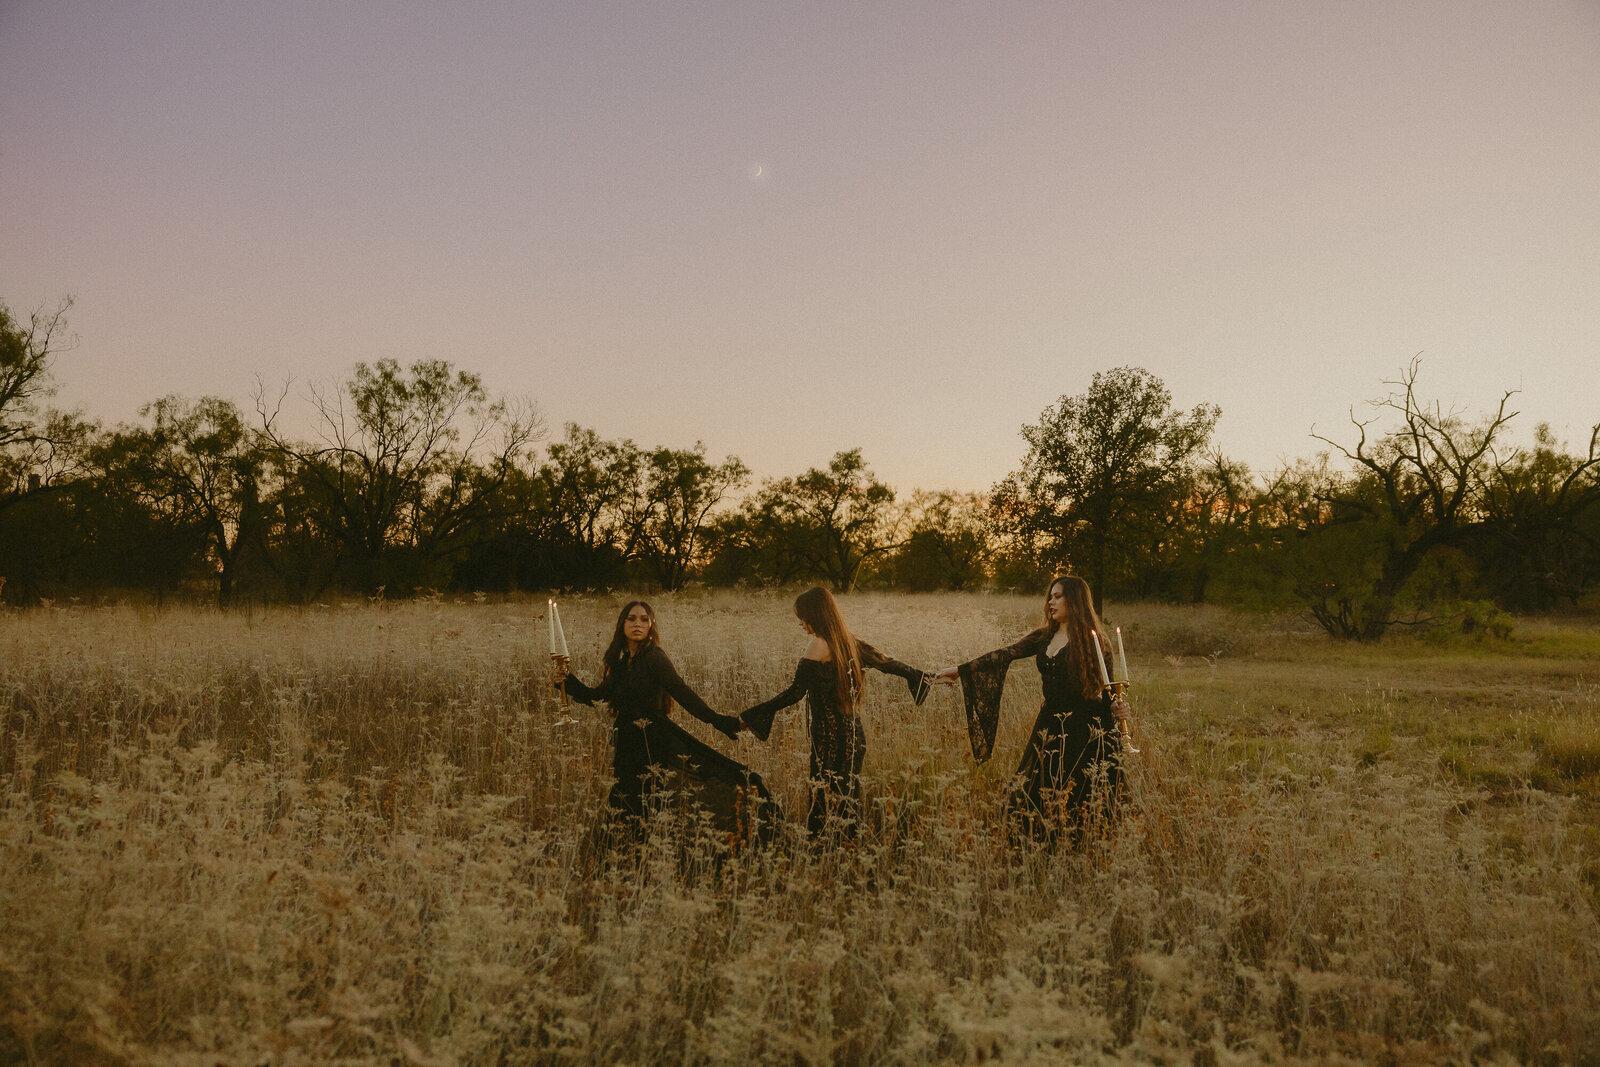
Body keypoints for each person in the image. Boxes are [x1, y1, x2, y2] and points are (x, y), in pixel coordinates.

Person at [554, 600, 776, 845]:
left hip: (652, 740)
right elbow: (598, 696)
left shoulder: (654, 658)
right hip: (628, 741)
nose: (638, 623)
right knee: (625, 802)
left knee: (640, 801)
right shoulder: (621, 661)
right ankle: (627, 856)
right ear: (622, 624)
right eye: (632, 618)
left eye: (644, 619)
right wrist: (567, 681)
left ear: (651, 626)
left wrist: (721, 721)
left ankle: (635, 855)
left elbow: (682, 692)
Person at [934, 575, 1124, 843]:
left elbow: (1108, 689)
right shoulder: (1044, 636)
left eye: (1058, 596)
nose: (1051, 602)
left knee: (1078, 787)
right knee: (1038, 786)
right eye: (1050, 596)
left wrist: (1117, 708)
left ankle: (1077, 846)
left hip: (1084, 725)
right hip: (1050, 723)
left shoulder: (1095, 641)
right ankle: (1038, 846)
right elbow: (1005, 654)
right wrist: (960, 671)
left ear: (1076, 600)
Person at [740, 586, 934, 839]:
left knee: (825, 798)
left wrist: (751, 715)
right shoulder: (848, 641)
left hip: (829, 737)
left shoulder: (818, 644)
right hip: (854, 733)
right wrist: (928, 678)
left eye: (803, 615)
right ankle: (850, 848)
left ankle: (824, 850)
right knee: (848, 798)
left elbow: (794, 693)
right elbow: (890, 664)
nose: (800, 622)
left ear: (816, 614)